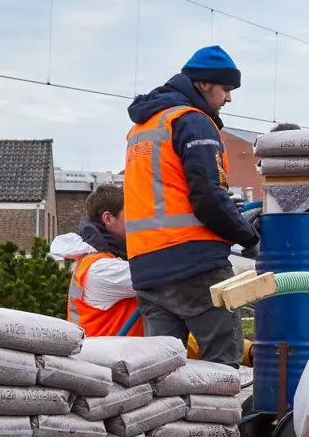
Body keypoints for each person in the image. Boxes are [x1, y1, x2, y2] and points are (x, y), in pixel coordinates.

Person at [124, 46, 259, 365]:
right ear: (203, 85)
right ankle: (221, 418)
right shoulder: (193, 122)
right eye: (225, 89)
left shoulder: (141, 128)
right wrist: (250, 237)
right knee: (221, 365)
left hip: (146, 268)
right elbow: (209, 198)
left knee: (162, 371)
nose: (228, 99)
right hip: (195, 265)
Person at [50, 182, 141, 335]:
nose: (136, 221)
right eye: (130, 214)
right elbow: (156, 274)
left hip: (99, 352)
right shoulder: (103, 268)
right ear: (108, 218)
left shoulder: (90, 258)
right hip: (111, 355)